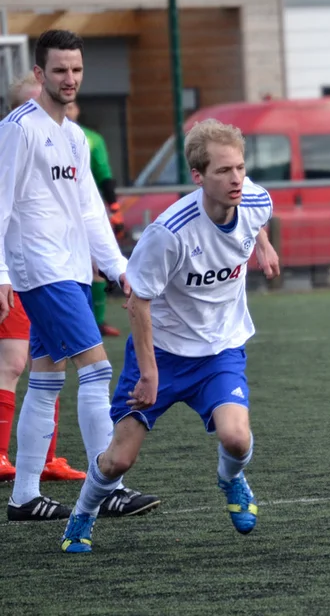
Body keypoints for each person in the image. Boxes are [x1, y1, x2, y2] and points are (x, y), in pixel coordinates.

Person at [60, 118, 280, 553]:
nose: (236, 179)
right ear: (198, 176)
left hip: (220, 349)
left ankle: (231, 478)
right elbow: (137, 303)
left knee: (237, 438)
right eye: (223, 171)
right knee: (118, 460)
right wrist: (148, 374)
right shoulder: (169, 233)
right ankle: (83, 512)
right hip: (162, 353)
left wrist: (263, 244)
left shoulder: (254, 198)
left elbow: (258, 217)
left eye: (240, 168)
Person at [0, 29, 160, 521]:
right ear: (39, 73)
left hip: (70, 269)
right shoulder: (19, 128)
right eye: (59, 70)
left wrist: (118, 267)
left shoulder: (73, 136)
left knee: (47, 379)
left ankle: (24, 496)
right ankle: (107, 485)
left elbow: (90, 211)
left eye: (76, 69)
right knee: (97, 369)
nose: (69, 78)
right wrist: (0, 272)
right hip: (39, 269)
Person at [0, 73, 85, 483]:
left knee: (50, 360)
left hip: (50, 270)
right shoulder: (13, 140)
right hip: (16, 270)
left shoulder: (68, 143)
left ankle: (46, 460)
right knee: (14, 362)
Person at [65, 101, 123, 338]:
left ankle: (96, 322)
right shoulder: (32, 134)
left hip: (84, 212)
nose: (68, 110)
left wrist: (115, 210)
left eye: (72, 106)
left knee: (96, 266)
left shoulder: (91, 139)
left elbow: (104, 175)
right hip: (52, 216)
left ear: (78, 110)